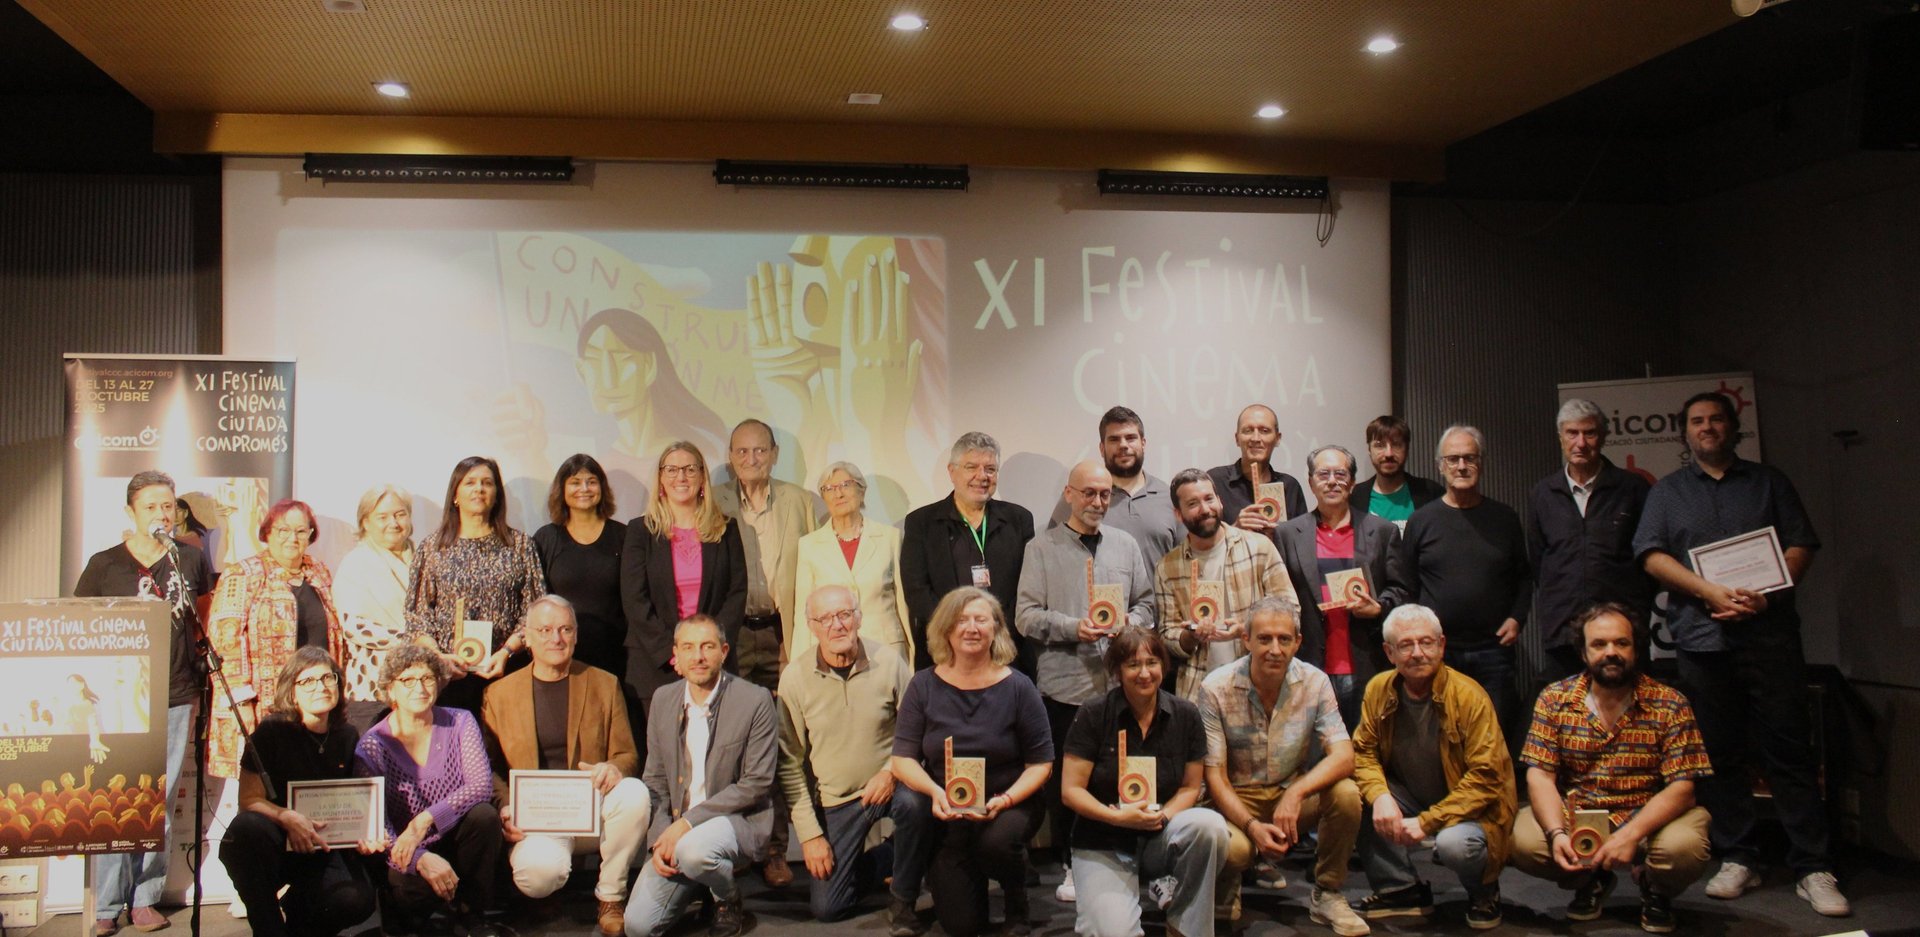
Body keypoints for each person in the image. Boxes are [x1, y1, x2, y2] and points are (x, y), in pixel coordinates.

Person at [1633, 391, 1846, 916]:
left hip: (1769, 639)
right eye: (1697, 422)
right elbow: (1652, 556)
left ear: (1733, 427)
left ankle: (1813, 867)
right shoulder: (1668, 493)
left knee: (1788, 752)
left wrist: (1766, 594)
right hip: (1702, 644)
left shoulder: (1770, 482)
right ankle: (1738, 857)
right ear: (1685, 433)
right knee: (1720, 755)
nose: (1707, 428)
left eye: (1716, 420)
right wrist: (1708, 592)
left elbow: (1800, 545)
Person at [1513, 603, 1714, 933]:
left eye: (1621, 643)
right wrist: (1558, 833)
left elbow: (1683, 787)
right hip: (1581, 817)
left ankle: (1654, 886)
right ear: (1583, 652)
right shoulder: (1554, 698)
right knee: (1524, 841)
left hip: (1647, 817)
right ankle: (1589, 880)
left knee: (1683, 850)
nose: (1611, 652)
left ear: (1636, 649)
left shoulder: (1669, 702)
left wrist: (1630, 836)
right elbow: (1540, 776)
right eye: (1599, 644)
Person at [74, 471, 214, 937]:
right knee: (116, 794)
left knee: (160, 796)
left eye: (169, 505)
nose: (162, 514)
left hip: (174, 693)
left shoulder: (189, 560)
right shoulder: (104, 564)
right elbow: (79, 627)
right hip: (117, 698)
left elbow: (205, 624)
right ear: (131, 511)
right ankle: (107, 902)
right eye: (152, 506)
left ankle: (146, 897)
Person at [1015, 459, 1155, 899]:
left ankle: (1122, 858)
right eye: (1089, 493)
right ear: (1069, 495)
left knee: (1118, 774)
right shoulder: (1040, 549)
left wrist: (1131, 621)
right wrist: (1074, 627)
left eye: (1104, 494)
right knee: (1068, 784)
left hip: (1122, 687)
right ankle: (1072, 861)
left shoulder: (1126, 545)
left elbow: (1148, 604)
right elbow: (1024, 617)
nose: (1097, 501)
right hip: (1065, 687)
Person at [1201, 596, 1369, 936]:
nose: (1274, 649)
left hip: (1287, 796)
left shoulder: (1315, 681)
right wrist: (1250, 825)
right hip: (1236, 800)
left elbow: (1343, 755)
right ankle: (1228, 877)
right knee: (1233, 849)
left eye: (1284, 639)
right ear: (1246, 639)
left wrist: (1297, 792)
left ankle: (1328, 892)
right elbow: (1214, 774)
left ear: (1298, 642)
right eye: (1264, 639)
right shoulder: (1215, 687)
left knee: (1347, 793)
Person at [481, 595, 648, 937]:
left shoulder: (605, 683)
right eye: (544, 630)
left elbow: (627, 756)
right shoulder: (499, 694)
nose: (555, 639)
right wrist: (506, 807)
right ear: (526, 637)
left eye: (565, 629)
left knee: (634, 793)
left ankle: (611, 897)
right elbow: (490, 769)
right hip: (535, 819)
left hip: (591, 812)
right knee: (537, 876)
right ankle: (547, 892)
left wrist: (613, 770)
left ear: (576, 635)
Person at [890, 588, 1053, 937]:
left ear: (996, 629)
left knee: (996, 844)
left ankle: (1015, 898)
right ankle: (967, 876)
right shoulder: (922, 686)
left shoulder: (1019, 687)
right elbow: (902, 759)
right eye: (961, 620)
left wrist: (1006, 800)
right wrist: (934, 793)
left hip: (1008, 803)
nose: (971, 628)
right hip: (948, 809)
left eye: (981, 620)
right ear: (946, 629)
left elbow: (1041, 763)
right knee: (962, 926)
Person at [1349, 605, 1515, 929]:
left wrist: (1427, 822)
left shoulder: (1469, 696)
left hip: (1471, 807)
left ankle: (1483, 892)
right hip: (1410, 793)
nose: (1417, 653)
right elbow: (1364, 752)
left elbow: (1485, 780)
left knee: (1454, 845)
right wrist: (1380, 795)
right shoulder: (1378, 689)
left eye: (1426, 643)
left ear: (1441, 645)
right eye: (1406, 645)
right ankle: (1400, 888)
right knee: (1349, 795)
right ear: (1389, 652)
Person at [1061, 626, 1229, 937]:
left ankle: (1183, 925)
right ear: (1117, 670)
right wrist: (1117, 817)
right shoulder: (1093, 713)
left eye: (1152, 662)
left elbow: (1191, 787)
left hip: (1160, 832)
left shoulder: (1186, 714)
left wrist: (1162, 816)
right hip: (1103, 839)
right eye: (1132, 664)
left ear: (1164, 667)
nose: (1144, 673)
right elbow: (1071, 792)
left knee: (1210, 827)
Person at [711, 418, 818, 888]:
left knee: (782, 743)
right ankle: (731, 847)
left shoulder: (799, 501)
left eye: (759, 451)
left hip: (783, 633)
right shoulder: (713, 501)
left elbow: (816, 567)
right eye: (741, 452)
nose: (751, 460)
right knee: (728, 742)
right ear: (730, 456)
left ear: (774, 453)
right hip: (732, 635)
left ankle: (776, 849)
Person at [624, 615, 778, 937]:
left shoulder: (755, 700)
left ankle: (727, 897)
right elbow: (655, 780)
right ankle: (700, 883)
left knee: (694, 851)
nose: (698, 656)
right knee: (638, 926)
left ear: (724, 651)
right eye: (689, 648)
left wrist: (687, 824)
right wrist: (659, 839)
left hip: (735, 821)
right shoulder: (664, 700)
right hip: (678, 831)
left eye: (707, 646)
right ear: (675, 657)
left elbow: (756, 783)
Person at [776, 585, 917, 923]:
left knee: (917, 807)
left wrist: (891, 772)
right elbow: (789, 764)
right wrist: (810, 836)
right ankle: (889, 859)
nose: (836, 625)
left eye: (844, 615)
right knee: (829, 908)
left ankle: (906, 889)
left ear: (858, 618)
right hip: (837, 800)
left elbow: (915, 733)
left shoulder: (889, 663)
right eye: (825, 618)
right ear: (811, 626)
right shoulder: (794, 679)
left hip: (892, 785)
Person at [219, 646, 382, 937]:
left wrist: (364, 830)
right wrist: (286, 817)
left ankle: (300, 922)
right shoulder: (270, 732)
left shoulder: (348, 735)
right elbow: (248, 800)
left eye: (327, 678)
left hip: (323, 844)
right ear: (291, 692)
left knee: (357, 898)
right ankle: (269, 929)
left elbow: (352, 801)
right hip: (277, 843)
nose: (320, 687)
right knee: (245, 830)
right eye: (307, 681)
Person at [354, 645, 508, 937]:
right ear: (390, 690)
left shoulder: (460, 721)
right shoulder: (372, 746)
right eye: (408, 680)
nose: (420, 687)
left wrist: (424, 820)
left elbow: (480, 786)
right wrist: (420, 858)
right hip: (407, 851)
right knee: (408, 894)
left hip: (455, 840)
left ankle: (471, 914)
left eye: (427, 678)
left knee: (484, 816)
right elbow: (377, 825)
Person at [1401, 425, 1531, 746]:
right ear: (1440, 466)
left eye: (1469, 458)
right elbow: (1407, 583)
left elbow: (1524, 577)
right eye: (1454, 459)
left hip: (1493, 651)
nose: (1462, 466)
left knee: (1494, 738)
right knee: (1442, 738)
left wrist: (1517, 618)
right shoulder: (1422, 521)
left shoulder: (1504, 518)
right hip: (1438, 651)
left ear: (1481, 463)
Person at [1276, 445, 1413, 727]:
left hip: (1367, 662)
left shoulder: (1382, 531)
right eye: (1323, 474)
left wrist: (1379, 608)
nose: (1332, 481)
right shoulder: (1288, 534)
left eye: (1341, 474)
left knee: (1366, 753)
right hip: (1309, 663)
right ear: (1311, 482)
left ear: (1351, 482)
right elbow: (1278, 598)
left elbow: (1401, 590)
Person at [207, 498, 343, 779]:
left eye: (301, 531)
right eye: (283, 530)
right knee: (258, 790)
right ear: (267, 532)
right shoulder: (242, 574)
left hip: (314, 701)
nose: (292, 538)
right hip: (261, 704)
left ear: (310, 535)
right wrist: (241, 701)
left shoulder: (319, 572)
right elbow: (224, 642)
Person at [619, 442, 748, 730]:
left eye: (690, 469)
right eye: (673, 470)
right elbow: (634, 599)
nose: (682, 477)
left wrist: (707, 650)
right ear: (661, 479)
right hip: (657, 666)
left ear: (702, 478)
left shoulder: (726, 530)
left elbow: (736, 593)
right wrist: (673, 652)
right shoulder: (640, 531)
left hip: (714, 664)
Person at [405, 456, 545, 713]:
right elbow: (417, 614)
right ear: (455, 494)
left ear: (496, 495)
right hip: (448, 677)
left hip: (507, 671)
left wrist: (507, 652)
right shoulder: (432, 548)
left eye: (487, 483)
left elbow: (535, 610)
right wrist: (438, 657)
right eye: (470, 482)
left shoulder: (521, 546)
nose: (479, 489)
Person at [1528, 398, 1653, 682]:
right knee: (1567, 712)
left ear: (1604, 437)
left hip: (1621, 631)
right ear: (1561, 438)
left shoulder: (1632, 488)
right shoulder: (1542, 494)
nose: (1580, 443)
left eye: (1590, 433)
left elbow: (1649, 559)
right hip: (1564, 629)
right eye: (1572, 433)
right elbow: (1539, 561)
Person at [1154, 469, 1297, 700]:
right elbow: (1167, 634)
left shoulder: (1259, 547)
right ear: (1178, 514)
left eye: (1209, 499)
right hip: (1199, 690)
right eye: (1193, 504)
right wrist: (1191, 636)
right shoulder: (1167, 567)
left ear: (1220, 501)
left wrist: (1245, 629)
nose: (1205, 509)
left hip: (1259, 683)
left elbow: (1290, 609)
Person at [902, 432, 1036, 671]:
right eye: (971, 467)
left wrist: (996, 631)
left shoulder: (1019, 520)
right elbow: (917, 591)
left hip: (1006, 651)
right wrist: (958, 631)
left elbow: (1029, 587)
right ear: (952, 472)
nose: (981, 476)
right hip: (944, 652)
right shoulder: (921, 523)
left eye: (990, 469)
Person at [793, 461, 914, 660]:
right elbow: (802, 613)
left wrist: (914, 655)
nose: (838, 494)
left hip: (885, 650)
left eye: (845, 485)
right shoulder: (809, 545)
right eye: (829, 489)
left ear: (862, 491)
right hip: (833, 651)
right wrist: (799, 664)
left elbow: (903, 603)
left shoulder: (889, 538)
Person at [1048, 406, 1184, 569]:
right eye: (1114, 439)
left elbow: (1187, 561)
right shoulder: (1077, 496)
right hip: (1094, 595)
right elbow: (1052, 556)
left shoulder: (1170, 497)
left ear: (1143, 443)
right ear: (1101, 448)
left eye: (1130, 438)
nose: (1123, 445)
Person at [531, 454, 627, 678]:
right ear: (562, 490)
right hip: (561, 652)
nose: (584, 488)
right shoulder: (546, 539)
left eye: (591, 481)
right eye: (575, 482)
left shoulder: (623, 536)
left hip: (615, 654)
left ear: (601, 488)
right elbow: (537, 599)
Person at [333, 483, 416, 731]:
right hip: (372, 685)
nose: (393, 522)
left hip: (420, 683)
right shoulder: (356, 564)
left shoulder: (424, 557)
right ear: (366, 522)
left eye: (400, 514)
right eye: (382, 516)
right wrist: (414, 640)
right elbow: (354, 626)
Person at [1206, 403, 1309, 542]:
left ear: (1277, 438)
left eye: (1264, 431)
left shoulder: (1290, 486)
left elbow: (1302, 543)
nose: (1255, 438)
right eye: (1248, 431)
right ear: (1237, 438)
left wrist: (1279, 536)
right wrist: (1235, 529)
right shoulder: (1215, 481)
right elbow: (1199, 542)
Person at [1349, 416, 1444, 531]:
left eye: (1396, 444)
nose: (1388, 454)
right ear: (1369, 450)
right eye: (1380, 445)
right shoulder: (1356, 497)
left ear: (1407, 449)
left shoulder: (1430, 492)